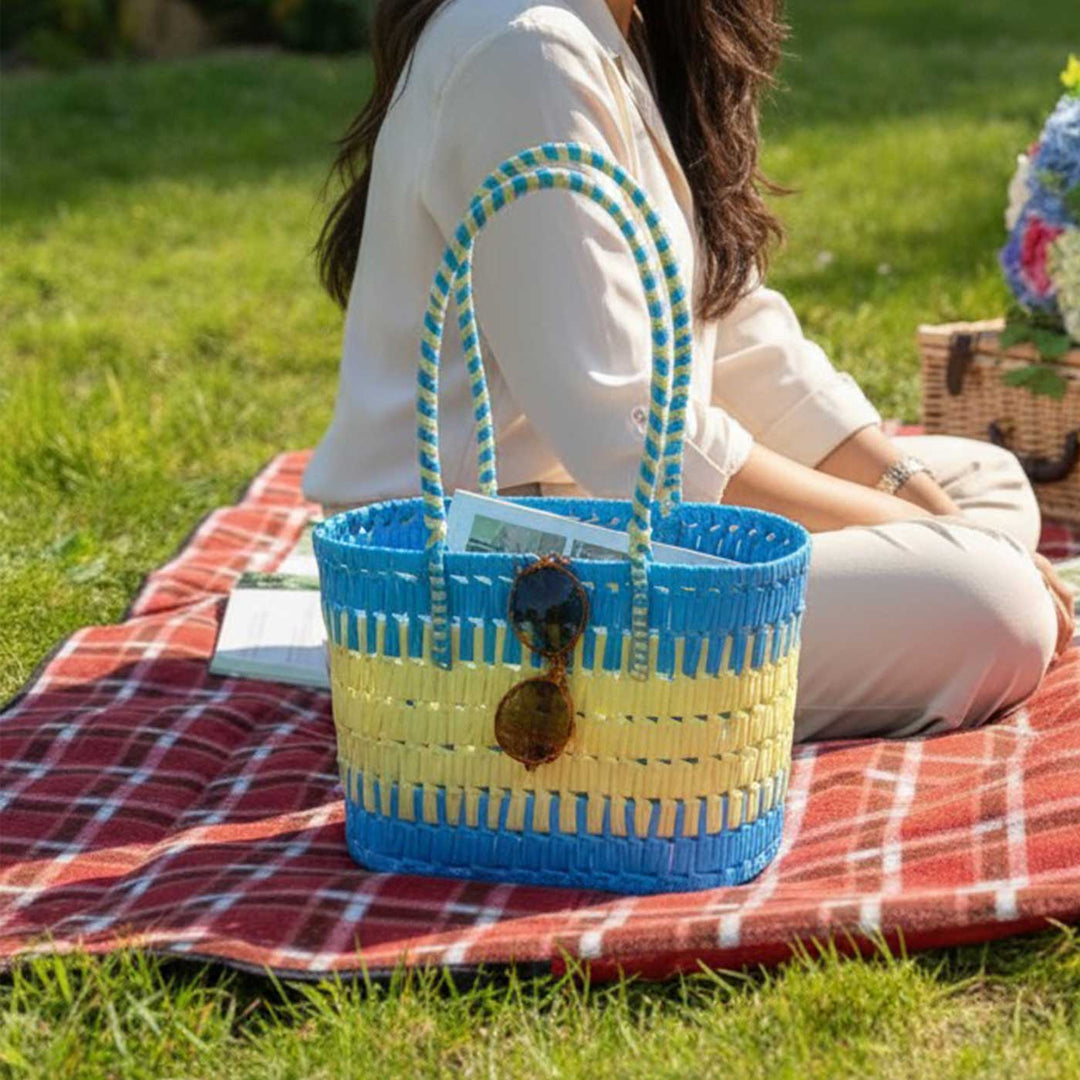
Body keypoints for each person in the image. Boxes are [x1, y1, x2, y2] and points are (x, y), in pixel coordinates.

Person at [303, 0, 1074, 740]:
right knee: (994, 600)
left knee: (988, 485)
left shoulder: (617, 29)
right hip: (475, 589)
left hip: (599, 517)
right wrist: (933, 538)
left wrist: (928, 509)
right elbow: (632, 435)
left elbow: (734, 332)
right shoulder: (523, 49)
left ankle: (940, 565)